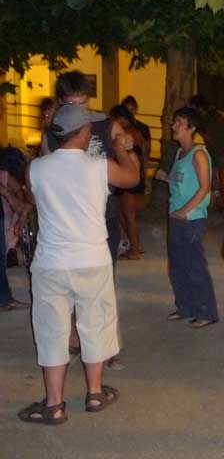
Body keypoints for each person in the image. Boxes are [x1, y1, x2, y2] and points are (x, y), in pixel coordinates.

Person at [18, 103, 139, 425]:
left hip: (51, 263)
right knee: (95, 324)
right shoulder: (99, 166)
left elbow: (32, 198)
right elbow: (133, 178)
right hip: (92, 261)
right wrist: (123, 149)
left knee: (52, 332)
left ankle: (55, 404)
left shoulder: (37, 168)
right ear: (83, 133)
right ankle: (95, 392)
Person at [43, 71, 129, 370]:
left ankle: (107, 346)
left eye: (83, 102)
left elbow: (127, 153)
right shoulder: (55, 129)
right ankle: (74, 341)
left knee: (103, 285)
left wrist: (125, 144)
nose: (78, 109)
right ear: (61, 101)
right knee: (64, 284)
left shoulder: (105, 122)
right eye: (71, 103)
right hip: (66, 217)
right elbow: (43, 166)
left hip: (102, 214)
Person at [157, 107, 218, 328]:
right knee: (177, 266)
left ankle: (206, 311)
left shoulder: (198, 153)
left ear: (191, 128)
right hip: (177, 217)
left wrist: (185, 211)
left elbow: (204, 188)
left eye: (179, 122)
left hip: (191, 219)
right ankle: (185, 307)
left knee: (194, 266)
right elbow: (181, 180)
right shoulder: (179, 153)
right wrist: (166, 178)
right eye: (175, 121)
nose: (174, 125)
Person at [109, 105, 146, 261]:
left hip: (128, 175)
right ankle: (134, 246)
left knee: (129, 215)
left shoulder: (127, 135)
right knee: (127, 215)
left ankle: (135, 249)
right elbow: (144, 153)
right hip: (133, 173)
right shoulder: (135, 132)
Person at [188, 94, 224, 213]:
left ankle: (221, 200)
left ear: (198, 107)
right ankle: (221, 200)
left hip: (220, 147)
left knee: (216, 174)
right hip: (222, 146)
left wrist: (198, 130)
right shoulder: (214, 114)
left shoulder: (210, 117)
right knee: (218, 174)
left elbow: (208, 135)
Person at [0, 167, 32, 311]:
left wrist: (19, 204)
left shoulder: (4, 174)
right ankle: (4, 299)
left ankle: (4, 298)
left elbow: (19, 189)